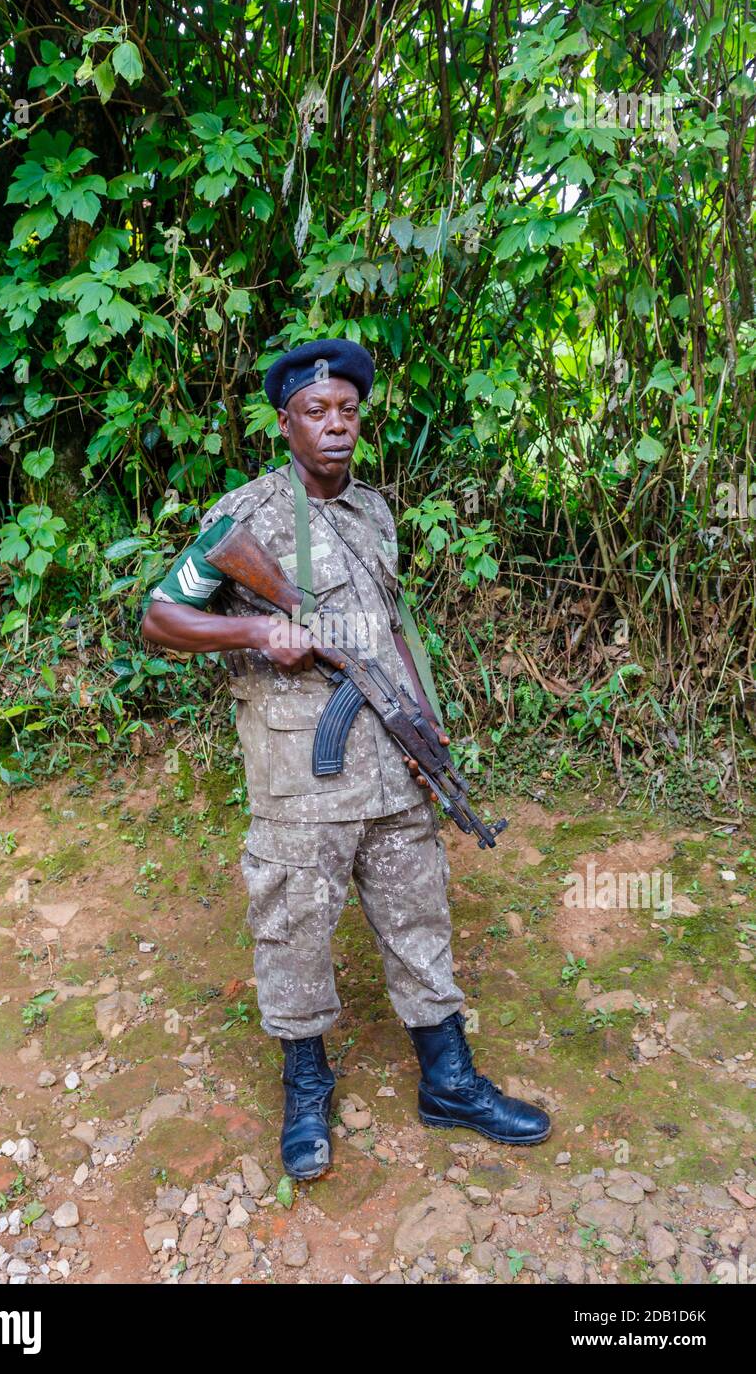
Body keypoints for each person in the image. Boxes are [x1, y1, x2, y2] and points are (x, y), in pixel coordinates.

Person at [141, 337, 551, 1179]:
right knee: (295, 931)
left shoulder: (374, 512)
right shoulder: (246, 515)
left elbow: (391, 634)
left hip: (388, 768)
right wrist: (257, 629)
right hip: (300, 778)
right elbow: (159, 621)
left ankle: (447, 1079)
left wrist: (423, 732)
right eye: (315, 413)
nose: (335, 427)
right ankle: (305, 1087)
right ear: (285, 423)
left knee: (419, 914)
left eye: (347, 412)